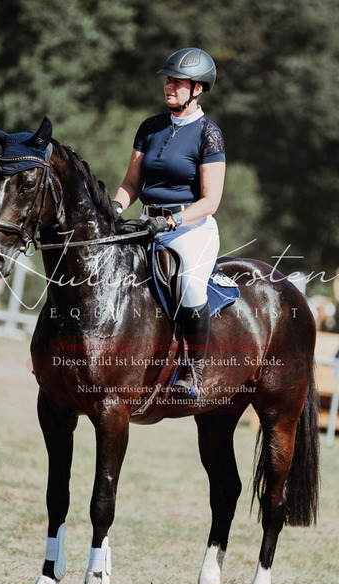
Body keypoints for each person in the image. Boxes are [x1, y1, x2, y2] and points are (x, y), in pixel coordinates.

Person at [112, 47, 226, 396]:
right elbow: (132, 183)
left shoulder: (209, 133)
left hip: (190, 229)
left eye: (178, 82)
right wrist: (114, 208)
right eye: (168, 80)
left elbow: (211, 200)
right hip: (146, 225)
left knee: (190, 287)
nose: (169, 86)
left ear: (197, 89)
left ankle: (194, 371)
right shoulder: (150, 127)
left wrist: (172, 221)